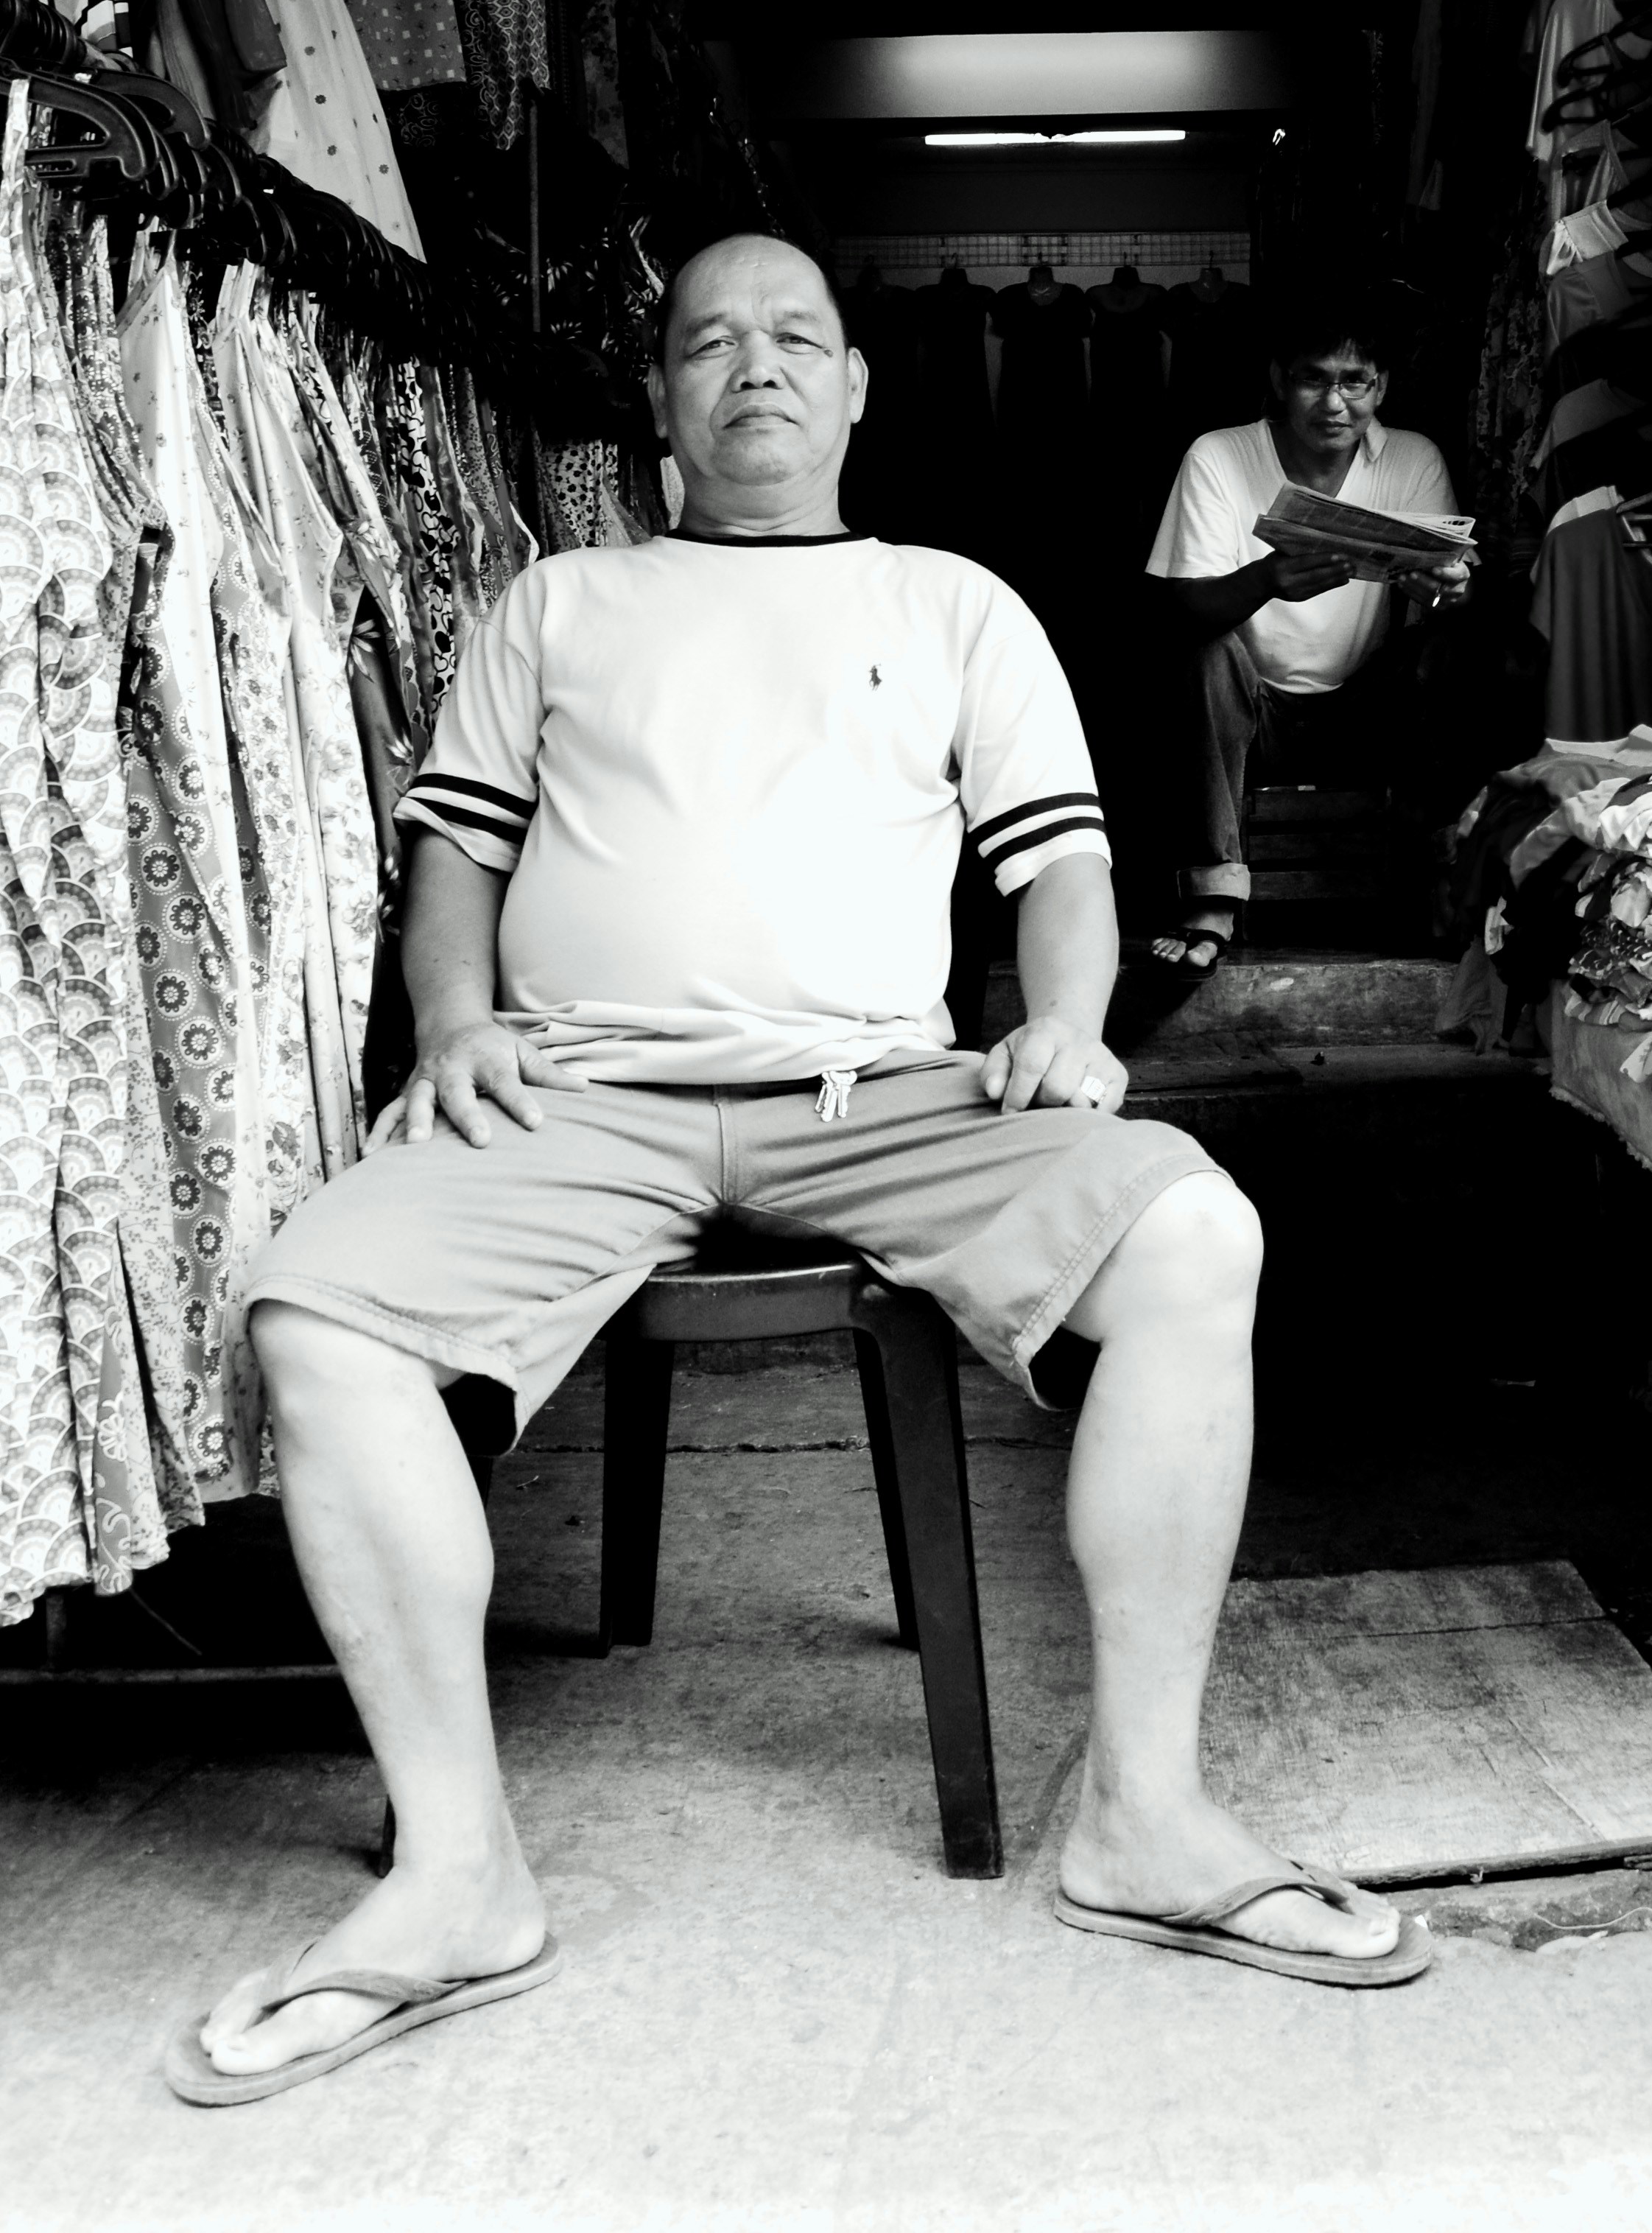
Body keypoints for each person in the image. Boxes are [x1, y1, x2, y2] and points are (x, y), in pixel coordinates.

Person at [168, 234, 1426, 2107]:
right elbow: (458, 855)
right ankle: (456, 1876)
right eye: (705, 342)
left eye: (792, 337)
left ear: (852, 385)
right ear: (662, 401)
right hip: (589, 1095)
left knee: (1186, 1231)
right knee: (314, 1309)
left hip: (885, 1094)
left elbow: (1055, 862)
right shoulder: (556, 602)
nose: (750, 366)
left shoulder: (951, 604)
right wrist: (453, 1026)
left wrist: (1068, 1021)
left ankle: (1144, 1815)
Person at [1145, 281, 1464, 975]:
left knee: (1447, 652)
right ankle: (1213, 895)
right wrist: (1264, 579)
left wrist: (1443, 587)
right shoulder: (1220, 456)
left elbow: (1445, 593)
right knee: (1206, 653)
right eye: (1313, 381)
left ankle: (1436, 879)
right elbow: (1180, 608)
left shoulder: (1412, 459)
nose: (1334, 403)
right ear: (1278, 383)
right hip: (1253, 712)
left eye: (1355, 382)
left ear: (1381, 387)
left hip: (1363, 703)